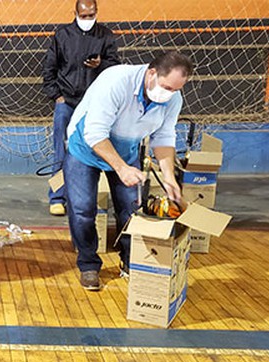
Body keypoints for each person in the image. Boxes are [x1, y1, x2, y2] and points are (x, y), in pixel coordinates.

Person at [64, 51, 194, 291]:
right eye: (166, 87)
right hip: (85, 148)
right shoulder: (115, 81)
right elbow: (95, 133)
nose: (169, 94)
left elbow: (163, 137)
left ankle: (130, 260)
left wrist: (169, 179)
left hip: (126, 150)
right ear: (152, 73)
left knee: (131, 211)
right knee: (82, 210)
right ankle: (89, 264)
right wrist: (122, 168)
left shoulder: (172, 99)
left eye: (176, 90)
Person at [42, 0, 120, 216]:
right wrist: (56, 96)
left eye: (92, 15)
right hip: (66, 102)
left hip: (93, 105)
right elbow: (50, 68)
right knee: (61, 151)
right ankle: (57, 197)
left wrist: (100, 64)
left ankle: (87, 199)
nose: (88, 19)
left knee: (91, 151)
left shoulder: (106, 35)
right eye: (84, 16)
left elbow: (115, 67)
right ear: (75, 13)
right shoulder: (62, 36)